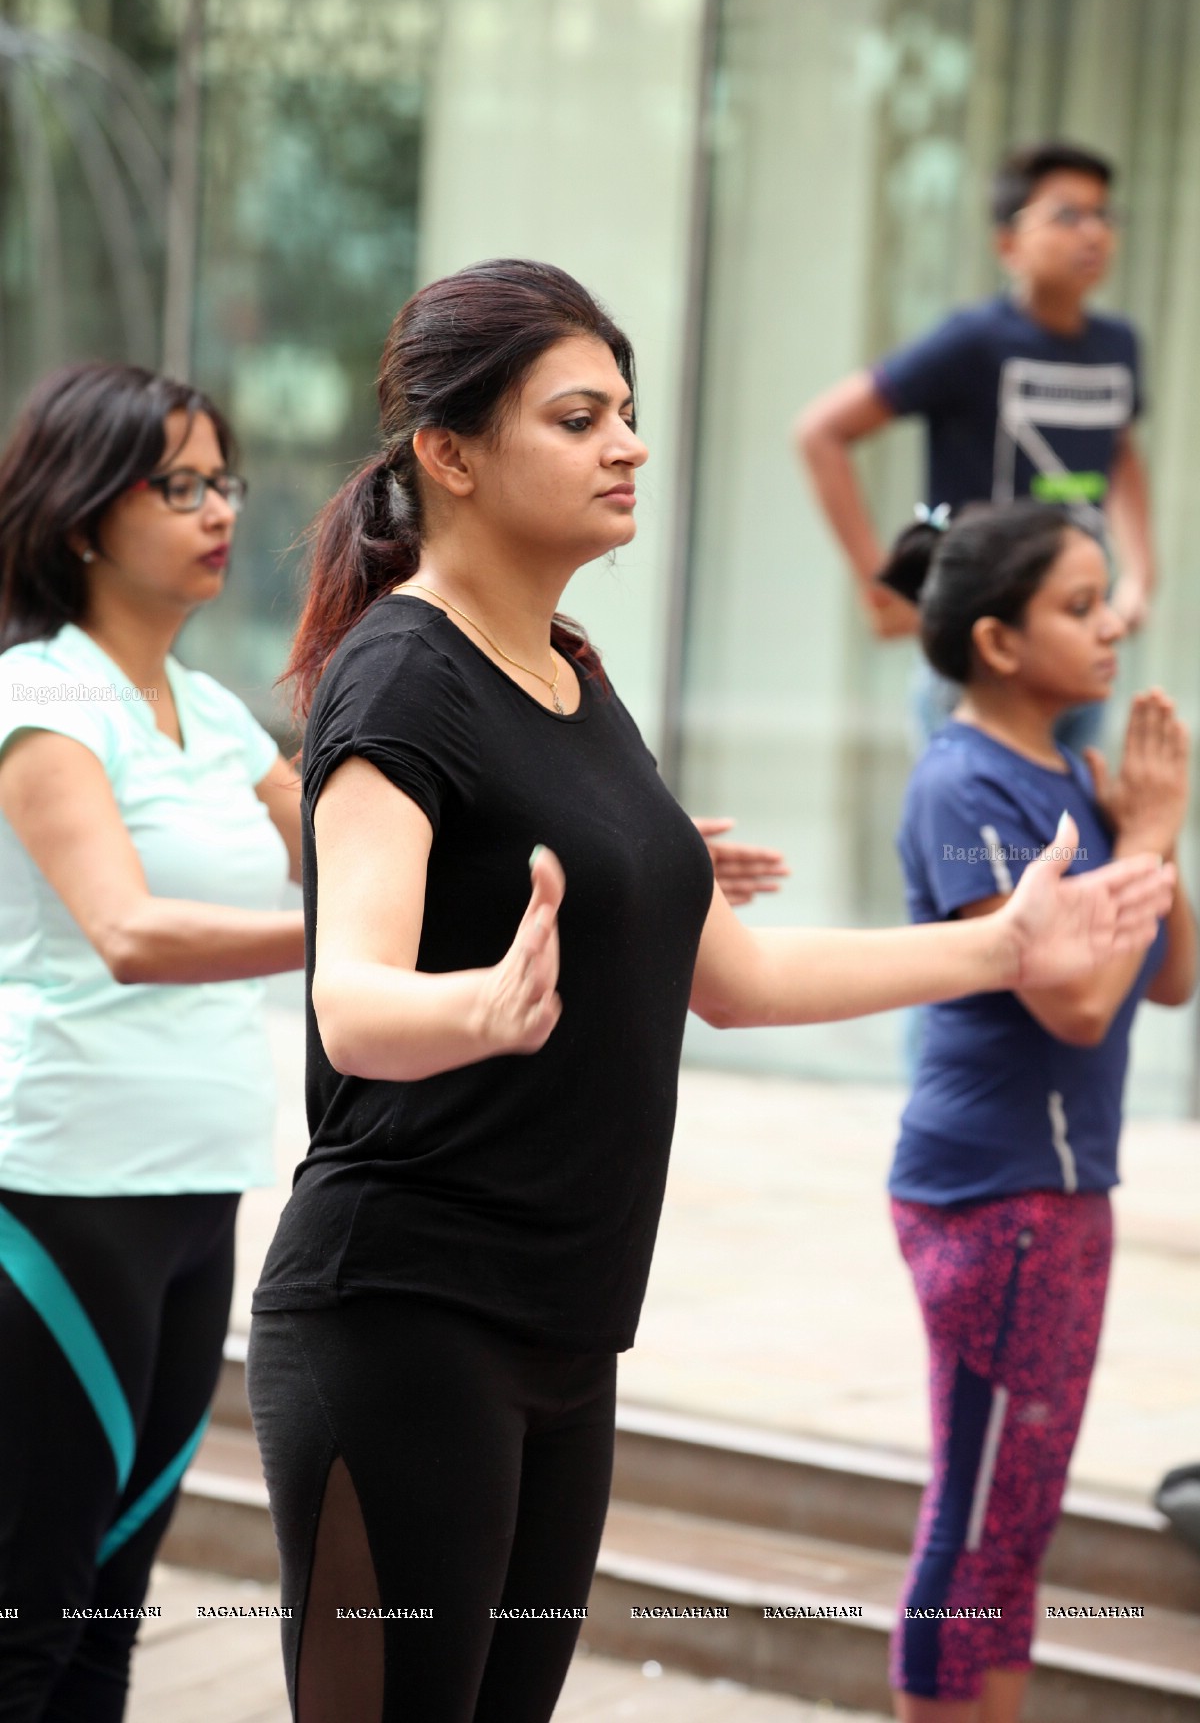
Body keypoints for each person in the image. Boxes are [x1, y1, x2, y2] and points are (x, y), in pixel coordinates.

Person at [244, 260, 1173, 1723]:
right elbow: (353, 999)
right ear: (450, 453)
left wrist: (1001, 949)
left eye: (627, 411)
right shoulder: (402, 678)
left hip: (569, 1326)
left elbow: (735, 981)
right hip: (406, 1313)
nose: (631, 444)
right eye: (579, 416)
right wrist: (479, 1006)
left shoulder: (569, 671)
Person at [0, 363, 309, 1722]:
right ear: (80, 520)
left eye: (224, 482)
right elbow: (125, 930)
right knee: (31, 1606)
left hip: (196, 1187)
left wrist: (625, 857)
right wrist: (336, 939)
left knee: (115, 1603)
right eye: (176, 485)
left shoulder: (219, 715)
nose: (216, 509)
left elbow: (386, 858)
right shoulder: (41, 699)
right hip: (62, 1190)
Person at [876, 499, 1195, 1722]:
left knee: (1016, 1522)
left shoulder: (1066, 773)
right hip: (998, 1198)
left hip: (1057, 1194)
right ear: (1001, 642)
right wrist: (1150, 834)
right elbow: (1073, 1003)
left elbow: (1166, 977)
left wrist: (1146, 836)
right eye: (1079, 604)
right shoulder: (962, 786)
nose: (1113, 622)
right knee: (977, 1525)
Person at [795, 141, 1152, 753]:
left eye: (1103, 215)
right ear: (1008, 244)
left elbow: (1117, 453)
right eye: (1067, 215)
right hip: (979, 654)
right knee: (976, 840)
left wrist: (1138, 577)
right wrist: (880, 586)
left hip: (1079, 644)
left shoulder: (1118, 345)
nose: (1093, 232)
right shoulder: (972, 342)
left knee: (1076, 839)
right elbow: (821, 431)